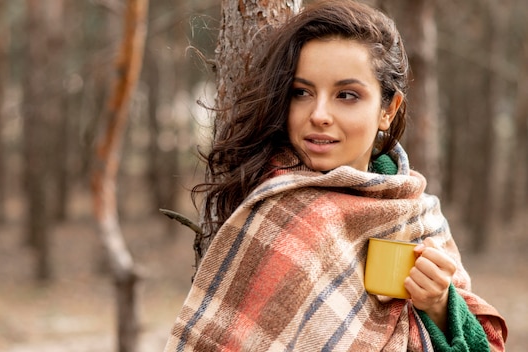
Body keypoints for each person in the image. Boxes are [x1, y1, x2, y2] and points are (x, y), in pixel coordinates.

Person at [165, 1, 507, 351]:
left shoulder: (417, 212)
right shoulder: (277, 217)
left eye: (347, 95)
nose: (320, 114)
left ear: (388, 110)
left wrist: (437, 307)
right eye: (302, 92)